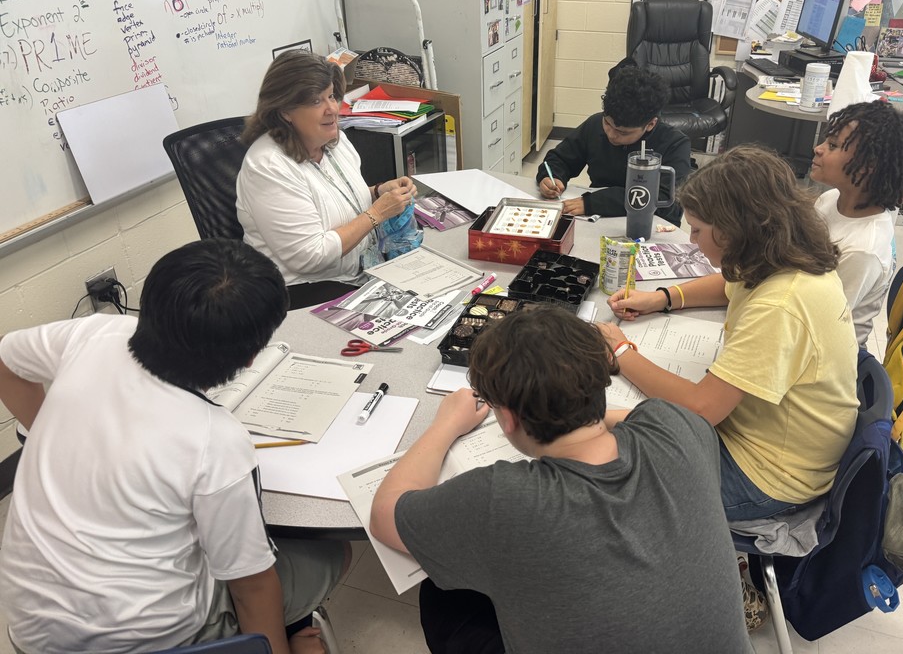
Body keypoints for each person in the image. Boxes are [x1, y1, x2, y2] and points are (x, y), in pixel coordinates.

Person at [0, 239, 347, 654]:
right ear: (253, 355)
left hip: (28, 631)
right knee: (327, 556)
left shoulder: (92, 332)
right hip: (151, 641)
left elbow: (6, 362)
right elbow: (251, 587)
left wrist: (45, 437)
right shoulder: (214, 439)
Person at [368, 305, 751, 654]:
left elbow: (385, 515)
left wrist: (446, 423)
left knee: (441, 593)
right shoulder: (679, 424)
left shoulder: (504, 499)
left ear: (508, 419)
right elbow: (631, 418)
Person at [598, 146, 860, 521]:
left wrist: (623, 352)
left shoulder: (780, 306)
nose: (691, 241)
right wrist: (665, 298)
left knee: (613, 486)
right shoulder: (783, 256)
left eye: (698, 229)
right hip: (769, 439)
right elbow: (728, 284)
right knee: (621, 431)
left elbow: (700, 409)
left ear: (734, 230)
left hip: (768, 475)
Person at [236, 50, 417, 308]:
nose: (332, 108)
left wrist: (378, 192)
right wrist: (377, 213)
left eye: (331, 95)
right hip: (305, 293)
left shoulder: (333, 141)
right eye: (315, 101)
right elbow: (311, 256)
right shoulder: (267, 167)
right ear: (286, 110)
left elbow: (328, 202)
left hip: (356, 275)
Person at [810, 100, 903, 347]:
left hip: (827, 356)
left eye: (834, 145)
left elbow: (820, 324)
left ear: (867, 167)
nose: (818, 148)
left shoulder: (863, 250)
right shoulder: (831, 199)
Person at [535, 65, 690, 224]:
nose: (611, 134)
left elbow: (667, 202)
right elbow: (560, 159)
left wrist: (594, 203)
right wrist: (551, 176)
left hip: (648, 225)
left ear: (650, 124)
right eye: (608, 124)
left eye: (623, 133)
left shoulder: (675, 144)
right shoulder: (595, 124)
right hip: (594, 219)